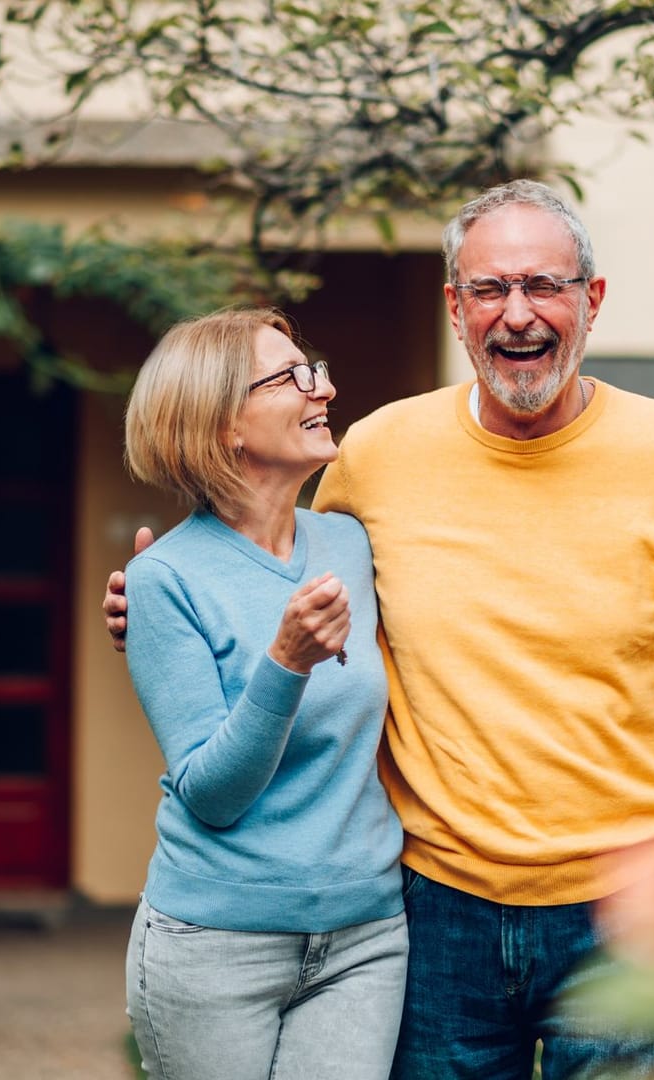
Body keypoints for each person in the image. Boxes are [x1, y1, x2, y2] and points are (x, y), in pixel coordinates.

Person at [108, 181, 654, 1079]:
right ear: (455, 307)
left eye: (544, 286)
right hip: (433, 914)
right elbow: (271, 571)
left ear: (591, 300)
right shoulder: (376, 456)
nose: (517, 314)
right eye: (489, 289)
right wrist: (157, 607)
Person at [116, 306, 408, 1080]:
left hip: (365, 935)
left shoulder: (351, 541)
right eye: (292, 377)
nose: (327, 387)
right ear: (222, 428)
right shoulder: (164, 580)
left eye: (315, 369)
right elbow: (212, 795)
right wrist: (285, 662)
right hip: (215, 944)